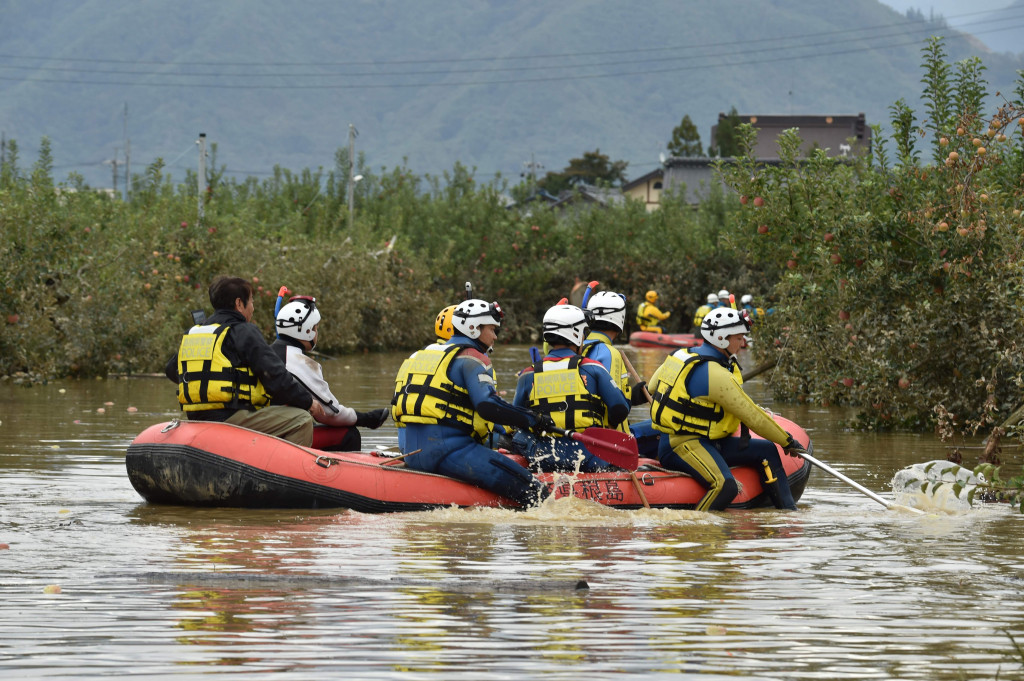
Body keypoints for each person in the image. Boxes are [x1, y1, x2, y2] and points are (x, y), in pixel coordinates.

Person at [391, 299, 551, 507]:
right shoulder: (471, 358)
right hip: (451, 452)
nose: (494, 336)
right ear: (474, 328)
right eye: (492, 329)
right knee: (538, 494)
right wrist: (533, 419)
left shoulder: (419, 356)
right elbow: (487, 406)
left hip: (412, 452)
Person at [647, 307, 805, 511]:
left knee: (767, 450)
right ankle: (696, 529)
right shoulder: (716, 374)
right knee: (725, 486)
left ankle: (788, 513)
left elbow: (652, 387)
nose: (742, 342)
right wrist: (788, 441)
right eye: (738, 338)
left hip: (709, 441)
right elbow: (753, 418)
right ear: (721, 338)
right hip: (681, 445)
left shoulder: (681, 356)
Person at [164, 275, 325, 446]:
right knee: (301, 420)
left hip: (196, 417)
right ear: (239, 303)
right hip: (230, 416)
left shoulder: (195, 332)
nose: (253, 308)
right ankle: (285, 470)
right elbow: (275, 376)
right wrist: (308, 402)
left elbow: (171, 370)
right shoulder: (243, 331)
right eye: (252, 302)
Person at [511, 304, 631, 472]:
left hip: (544, 456)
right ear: (576, 334)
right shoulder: (593, 368)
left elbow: (517, 418)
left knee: (518, 436)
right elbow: (620, 409)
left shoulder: (528, 373)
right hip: (588, 456)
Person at [271, 296, 389, 451]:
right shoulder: (300, 362)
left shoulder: (267, 352)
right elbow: (331, 413)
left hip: (264, 428)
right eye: (315, 328)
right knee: (349, 434)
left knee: (310, 423)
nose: (316, 333)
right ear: (306, 331)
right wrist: (366, 419)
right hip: (278, 438)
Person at [582, 291, 649, 430]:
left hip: (587, 432)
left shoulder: (579, 347)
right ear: (620, 318)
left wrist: (635, 395)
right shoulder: (610, 353)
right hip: (612, 439)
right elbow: (616, 407)